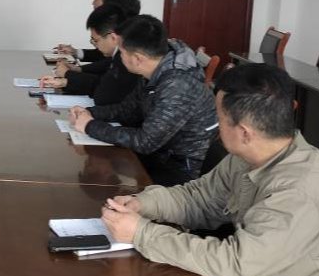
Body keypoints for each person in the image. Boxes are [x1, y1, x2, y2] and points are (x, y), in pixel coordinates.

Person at [100, 64, 319, 276]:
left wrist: (142, 233)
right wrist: (144, 203)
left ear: (244, 132)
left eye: (220, 118)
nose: (216, 126)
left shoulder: (299, 189)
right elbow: (201, 198)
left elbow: (235, 263)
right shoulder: (251, 154)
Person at [69, 15, 217, 186]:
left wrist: (89, 126)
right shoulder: (155, 69)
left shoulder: (178, 85)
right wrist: (90, 113)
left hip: (179, 169)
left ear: (138, 58)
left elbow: (145, 141)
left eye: (121, 52)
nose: (119, 57)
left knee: (104, 177)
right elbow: (128, 109)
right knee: (105, 165)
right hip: (159, 154)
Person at [40, 0, 141, 105]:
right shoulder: (120, 52)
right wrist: (66, 81)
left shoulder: (127, 57)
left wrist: (68, 75)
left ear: (113, 37)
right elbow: (104, 83)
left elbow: (103, 94)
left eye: (95, 40)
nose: (95, 45)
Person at [54, 0, 122, 61]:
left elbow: (108, 62)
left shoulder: (121, 26)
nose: (92, 3)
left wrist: (74, 69)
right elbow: (103, 56)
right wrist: (75, 52)